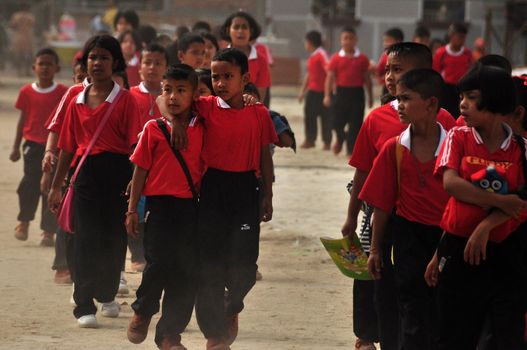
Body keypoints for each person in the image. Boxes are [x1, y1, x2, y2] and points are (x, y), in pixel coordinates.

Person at [341, 42, 455, 350]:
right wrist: (351, 216)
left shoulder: (448, 123)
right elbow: (363, 171)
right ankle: (366, 335)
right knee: (377, 279)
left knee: (427, 294)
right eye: (388, 70)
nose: (390, 77)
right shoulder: (377, 119)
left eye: (399, 70)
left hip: (438, 225)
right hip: (384, 215)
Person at [169, 48, 277, 350]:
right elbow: (165, 102)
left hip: (246, 189)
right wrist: (178, 121)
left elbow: (263, 155)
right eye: (215, 76)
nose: (220, 82)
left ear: (245, 78)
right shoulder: (204, 107)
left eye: (227, 76)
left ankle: (233, 303)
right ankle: (215, 334)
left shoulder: (259, 113)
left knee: (245, 267)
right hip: (213, 187)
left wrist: (268, 193)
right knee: (210, 266)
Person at [429, 64, 527, 349]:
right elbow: (451, 184)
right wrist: (500, 202)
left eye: (471, 97)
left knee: (503, 336)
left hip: (507, 252)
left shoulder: (521, 149)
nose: (463, 104)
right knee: (455, 333)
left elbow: (523, 203)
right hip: (460, 250)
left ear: (495, 99)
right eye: (462, 97)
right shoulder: (458, 138)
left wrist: (486, 225)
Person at [48, 34, 141, 328]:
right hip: (85, 172)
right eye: (92, 57)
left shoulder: (125, 100)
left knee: (114, 238)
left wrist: (135, 188)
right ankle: (84, 301)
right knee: (84, 239)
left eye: (103, 57)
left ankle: (107, 292)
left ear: (115, 63)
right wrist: (55, 185)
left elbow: (135, 148)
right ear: (85, 62)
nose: (97, 62)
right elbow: (67, 145)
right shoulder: (75, 97)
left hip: (119, 174)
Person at [126, 64, 204, 350]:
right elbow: (139, 171)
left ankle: (170, 334)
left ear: (194, 94)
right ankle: (143, 310)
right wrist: (132, 209)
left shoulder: (204, 127)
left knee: (185, 272)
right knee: (158, 264)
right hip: (157, 208)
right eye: (168, 89)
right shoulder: (153, 128)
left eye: (181, 90)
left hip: (191, 208)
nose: (173, 96)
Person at [10, 48, 68, 245]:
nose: (44, 68)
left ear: (56, 68)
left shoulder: (63, 92)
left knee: (52, 187)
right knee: (29, 183)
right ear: (34, 67)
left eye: (49, 64)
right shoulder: (26, 91)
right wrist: (16, 147)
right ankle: (24, 221)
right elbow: (22, 120)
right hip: (33, 147)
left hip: (54, 148)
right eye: (41, 64)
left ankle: (48, 231)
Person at [41, 58, 88, 285]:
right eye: (80, 76)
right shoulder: (73, 94)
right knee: (67, 216)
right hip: (72, 166)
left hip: (103, 168)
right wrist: (49, 152)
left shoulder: (119, 95)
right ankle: (62, 265)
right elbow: (56, 127)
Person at [127, 43, 169, 273]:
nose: (152, 68)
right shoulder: (129, 96)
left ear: (166, 67)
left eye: (158, 63)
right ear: (139, 67)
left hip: (163, 163)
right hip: (135, 161)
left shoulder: (171, 96)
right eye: (147, 62)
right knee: (135, 207)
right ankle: (136, 253)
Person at [324, 26, 373, 155]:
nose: (348, 41)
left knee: (355, 124)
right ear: (341, 41)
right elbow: (329, 78)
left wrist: (371, 96)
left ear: (355, 40)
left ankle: (351, 150)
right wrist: (327, 96)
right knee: (335, 122)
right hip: (340, 93)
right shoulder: (335, 58)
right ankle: (340, 138)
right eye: (345, 38)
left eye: (351, 38)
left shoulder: (362, 58)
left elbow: (367, 78)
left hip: (357, 94)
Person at [221, 11, 271, 103]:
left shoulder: (261, 60)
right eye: (236, 27)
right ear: (228, 31)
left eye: (244, 27)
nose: (240, 31)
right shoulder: (219, 58)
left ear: (250, 31)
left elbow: (260, 95)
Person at [298, 30, 331, 150]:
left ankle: (327, 142)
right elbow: (309, 75)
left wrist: (330, 89)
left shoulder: (322, 54)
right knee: (310, 115)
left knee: (326, 117)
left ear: (310, 42)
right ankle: (310, 139)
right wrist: (302, 91)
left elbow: (329, 70)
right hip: (312, 91)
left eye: (305, 42)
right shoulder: (312, 56)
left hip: (323, 92)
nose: (305, 44)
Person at [433, 22, 473, 118]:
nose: (461, 40)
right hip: (446, 90)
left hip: (461, 90)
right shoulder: (441, 53)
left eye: (463, 37)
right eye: (459, 37)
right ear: (451, 36)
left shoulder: (467, 53)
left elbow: (471, 72)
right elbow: (435, 73)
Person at [375, 28, 404, 97]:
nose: (385, 44)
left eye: (388, 41)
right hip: (388, 88)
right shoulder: (385, 55)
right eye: (384, 41)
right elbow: (379, 71)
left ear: (398, 41)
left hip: (401, 87)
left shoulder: (405, 56)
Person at [9, 4, 35, 77]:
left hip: (19, 36)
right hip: (27, 36)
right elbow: (33, 25)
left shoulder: (16, 16)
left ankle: (19, 72)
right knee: (28, 54)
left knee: (19, 54)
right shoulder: (30, 16)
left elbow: (12, 25)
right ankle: (27, 71)